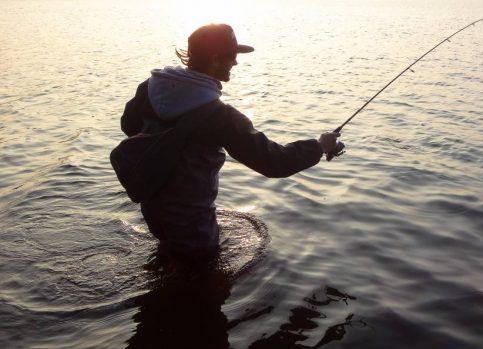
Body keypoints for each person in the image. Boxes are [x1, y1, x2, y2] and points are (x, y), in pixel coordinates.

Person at [120, 23, 341, 265]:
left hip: (152, 205)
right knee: (200, 280)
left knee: (167, 264)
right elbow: (274, 162)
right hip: (192, 220)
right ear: (215, 58)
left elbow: (128, 125)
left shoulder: (150, 88)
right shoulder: (220, 116)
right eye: (232, 57)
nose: (235, 63)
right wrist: (319, 146)